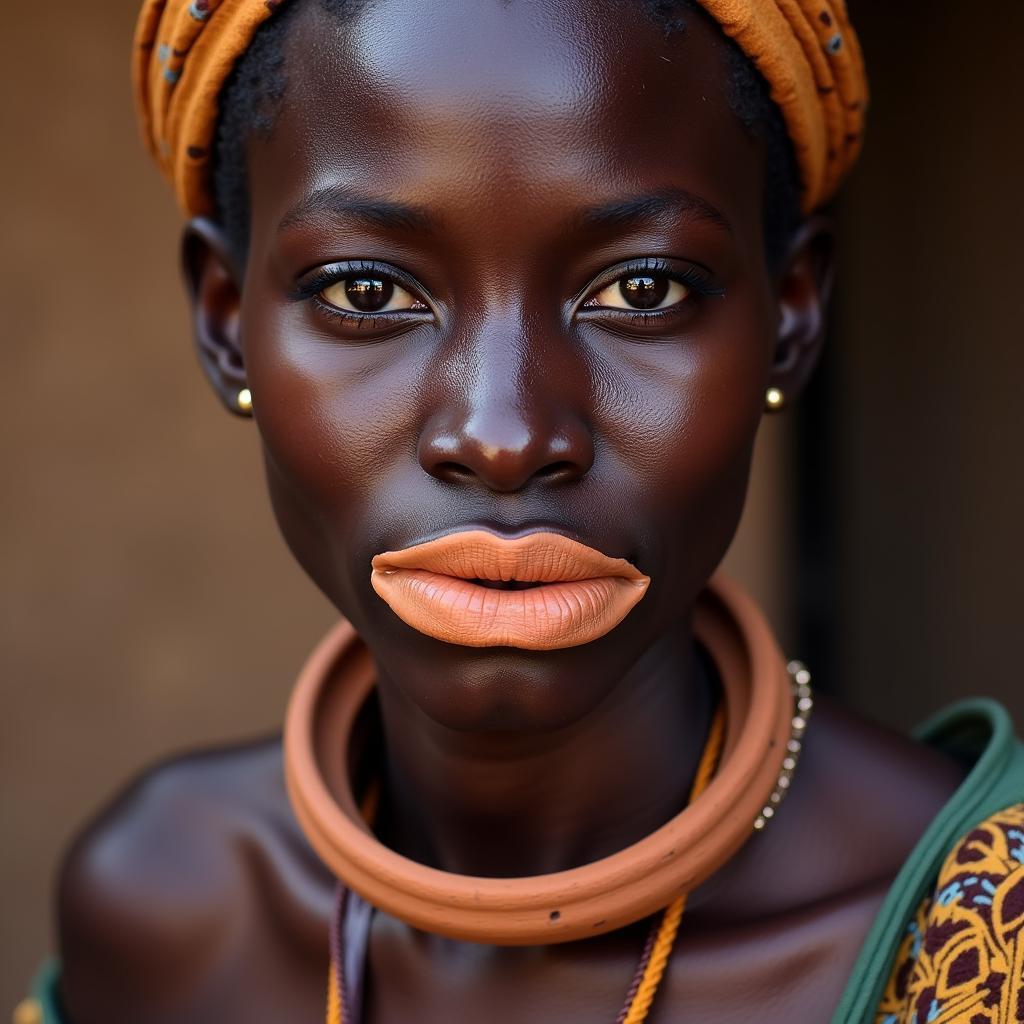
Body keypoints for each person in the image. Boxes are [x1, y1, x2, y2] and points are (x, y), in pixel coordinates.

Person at [15, 1, 1024, 1022]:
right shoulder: (161, 912)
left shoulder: (977, 940)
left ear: (789, 316)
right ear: (227, 322)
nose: (502, 436)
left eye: (640, 289)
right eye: (367, 293)